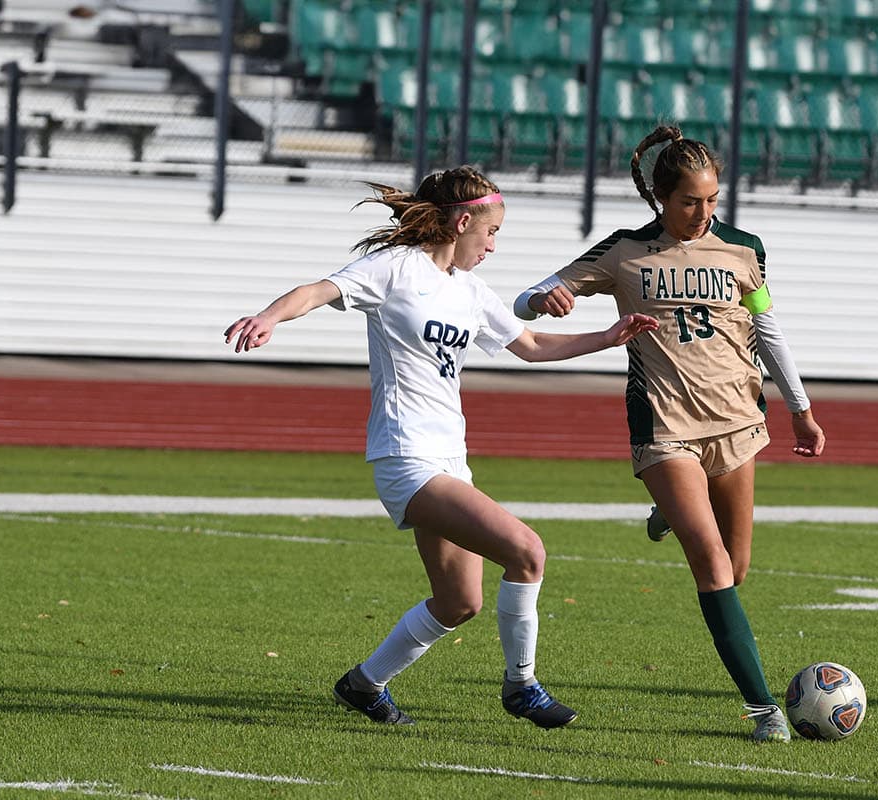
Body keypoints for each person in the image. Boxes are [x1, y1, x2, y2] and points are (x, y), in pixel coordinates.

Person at [222, 166, 658, 729]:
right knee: (527, 552)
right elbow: (318, 290)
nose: (494, 246)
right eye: (491, 232)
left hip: (451, 459)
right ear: (462, 220)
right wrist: (268, 316)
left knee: (459, 602)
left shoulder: (470, 291)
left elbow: (528, 344)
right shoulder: (395, 269)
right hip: (407, 455)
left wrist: (607, 337)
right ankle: (521, 686)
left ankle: (363, 684)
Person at [512, 125, 826, 743]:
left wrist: (800, 407)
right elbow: (527, 299)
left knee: (736, 569)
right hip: (666, 426)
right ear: (661, 196)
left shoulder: (744, 249)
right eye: (690, 201)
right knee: (710, 564)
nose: (704, 213)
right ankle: (764, 710)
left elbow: (768, 331)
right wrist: (544, 299)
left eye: (713, 200)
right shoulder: (625, 251)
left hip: (738, 421)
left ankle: (670, 512)